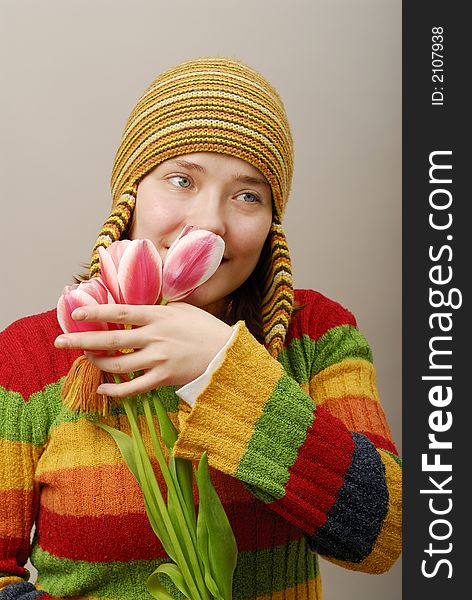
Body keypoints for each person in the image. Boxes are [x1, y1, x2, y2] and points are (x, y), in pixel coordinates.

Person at [0, 57, 402, 600]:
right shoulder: (30, 357)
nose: (209, 222)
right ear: (130, 196)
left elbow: (385, 534)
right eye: (181, 179)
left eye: (247, 195)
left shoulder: (318, 336)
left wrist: (224, 370)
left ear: (272, 225)